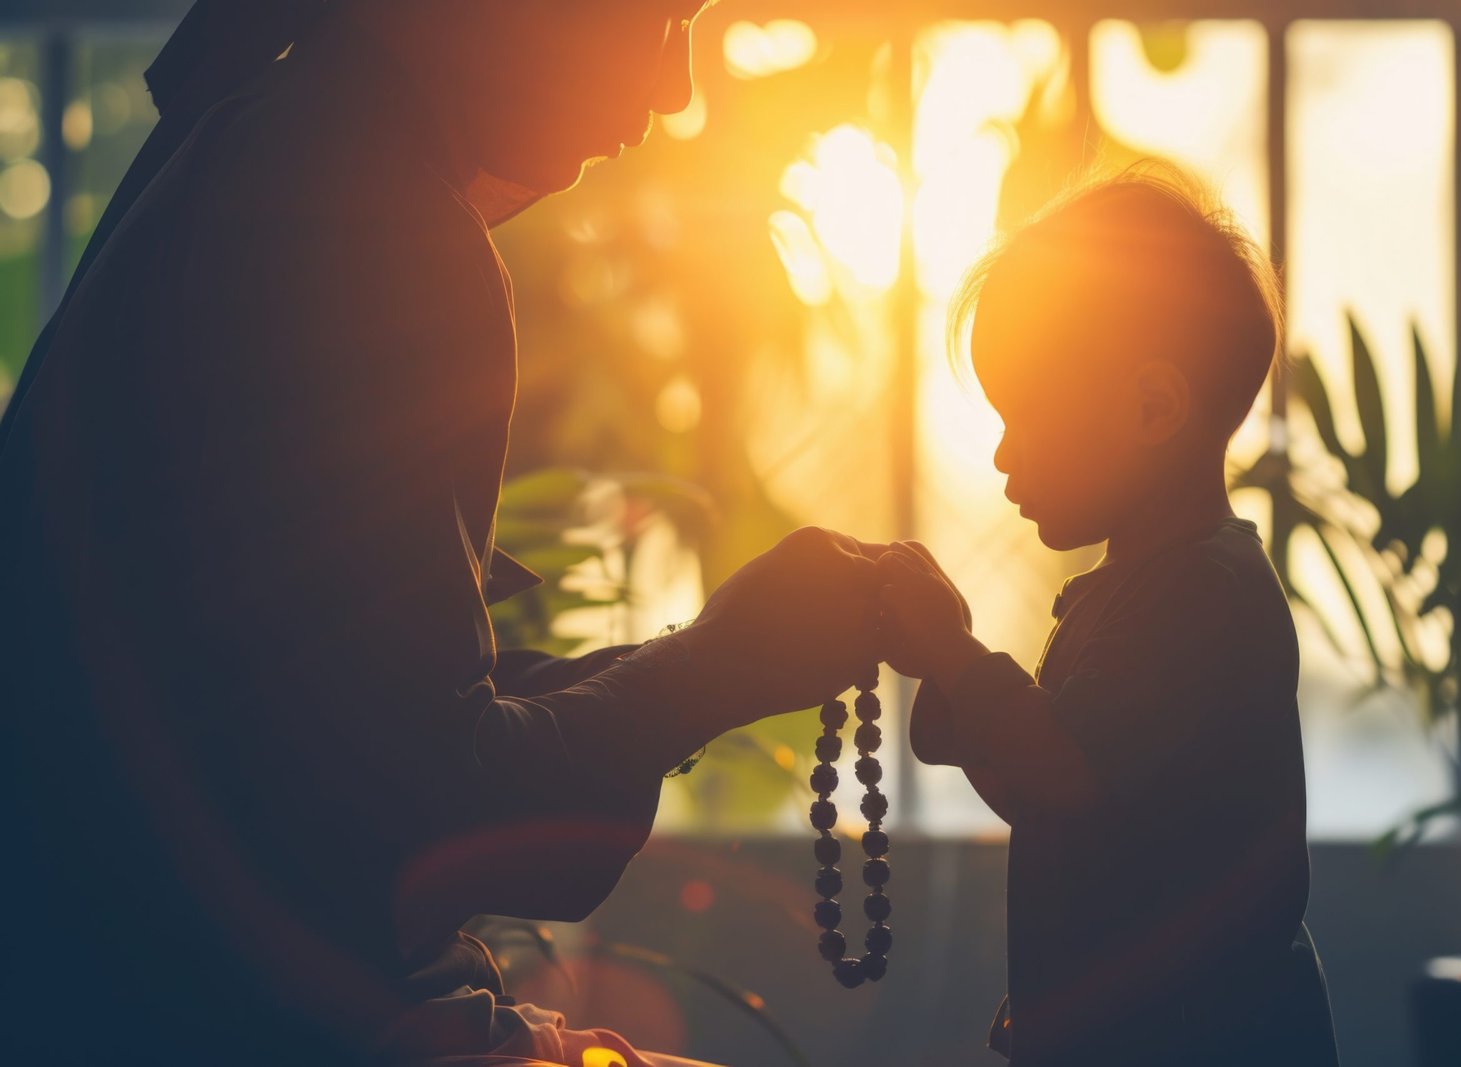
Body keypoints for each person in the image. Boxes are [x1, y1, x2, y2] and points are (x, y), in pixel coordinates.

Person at [0, 3, 884, 1064]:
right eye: (656, 19)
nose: (672, 93)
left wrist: (689, 664)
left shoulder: (274, 148)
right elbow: (414, 816)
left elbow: (346, 719)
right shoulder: (375, 227)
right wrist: (714, 668)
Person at [874, 165, 1341, 1066]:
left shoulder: (1203, 596)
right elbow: (1045, 788)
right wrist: (939, 668)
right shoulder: (1133, 589)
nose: (1003, 453)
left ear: (1153, 407)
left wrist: (951, 651)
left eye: (1026, 415)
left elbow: (1061, 772)